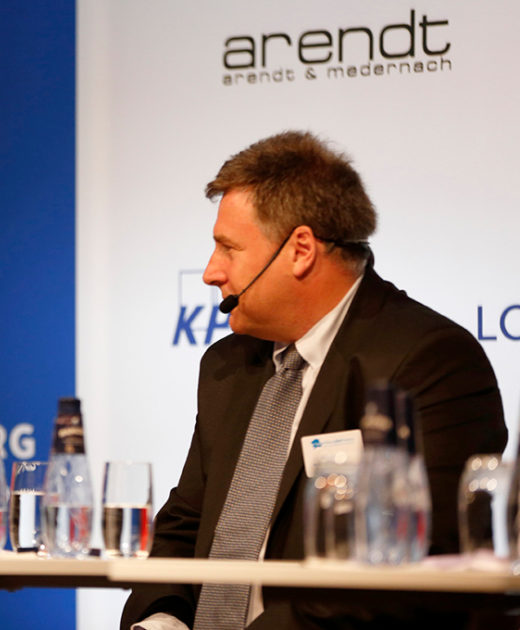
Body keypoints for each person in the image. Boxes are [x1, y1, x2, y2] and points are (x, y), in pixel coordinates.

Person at [120, 131, 507, 630]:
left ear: (301, 250)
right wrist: (160, 619)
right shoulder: (227, 365)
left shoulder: (430, 360)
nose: (211, 273)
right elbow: (184, 527)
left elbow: (416, 565)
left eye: (228, 248)